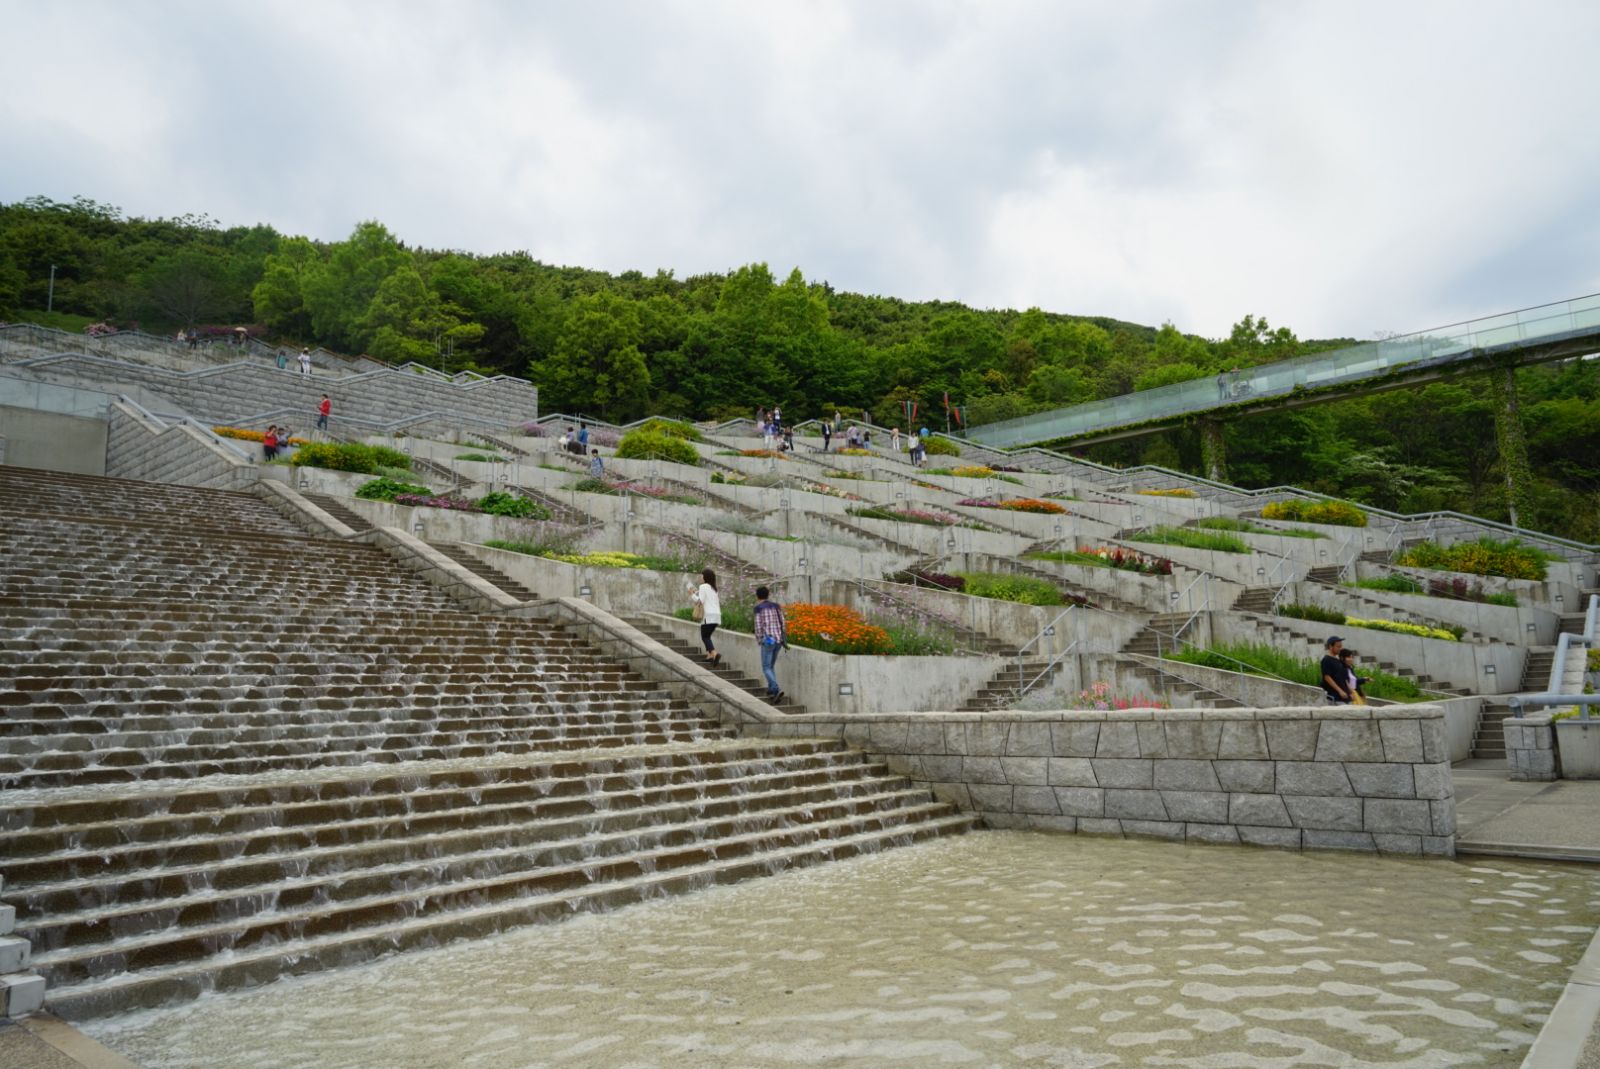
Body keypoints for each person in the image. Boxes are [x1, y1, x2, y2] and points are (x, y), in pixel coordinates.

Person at [754, 585, 787, 703]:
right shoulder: (776, 606)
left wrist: (759, 639)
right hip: (778, 640)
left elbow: (758, 627)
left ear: (757, 596)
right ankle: (772, 690)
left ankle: (775, 688)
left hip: (768, 640)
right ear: (768, 595)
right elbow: (783, 622)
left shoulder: (759, 608)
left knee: (766, 667)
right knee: (770, 666)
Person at [689, 568, 722, 664]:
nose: (700, 577)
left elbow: (700, 602)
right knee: (707, 636)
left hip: (709, 616)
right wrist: (696, 593)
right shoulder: (714, 588)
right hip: (716, 616)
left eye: (702, 575)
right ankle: (709, 656)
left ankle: (715, 654)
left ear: (705, 577)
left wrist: (691, 594)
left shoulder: (703, 586)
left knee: (705, 637)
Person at [1320, 636, 1352, 704]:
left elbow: (1343, 677)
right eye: (1338, 646)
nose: (1340, 649)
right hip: (1335, 697)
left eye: (1341, 646)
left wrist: (1350, 691)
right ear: (1331, 646)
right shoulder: (1326, 660)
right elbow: (1327, 677)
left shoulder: (1338, 660)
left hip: (1345, 697)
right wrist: (1340, 691)